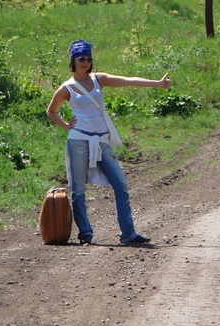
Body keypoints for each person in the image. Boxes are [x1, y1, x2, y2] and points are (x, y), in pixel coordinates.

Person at [46, 39, 170, 246]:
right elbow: (51, 111)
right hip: (79, 139)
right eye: (81, 58)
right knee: (78, 189)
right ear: (73, 61)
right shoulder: (67, 88)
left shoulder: (99, 79)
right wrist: (67, 126)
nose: (85, 62)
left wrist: (156, 84)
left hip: (102, 139)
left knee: (120, 185)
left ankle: (128, 234)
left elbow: (128, 80)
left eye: (88, 58)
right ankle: (85, 234)